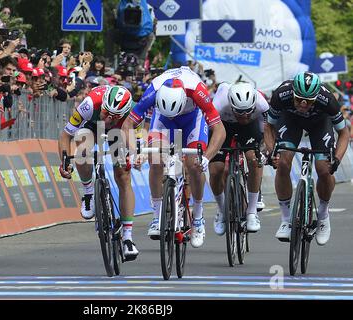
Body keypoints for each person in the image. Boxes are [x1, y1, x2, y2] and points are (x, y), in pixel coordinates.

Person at [123, 66, 226, 248]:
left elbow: (219, 130)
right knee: (155, 158)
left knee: (194, 165)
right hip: (163, 118)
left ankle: (198, 216)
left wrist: (207, 158)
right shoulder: (154, 89)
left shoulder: (197, 90)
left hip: (192, 120)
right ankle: (156, 216)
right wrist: (135, 151)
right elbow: (128, 124)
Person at [265, 71, 349, 245]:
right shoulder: (281, 94)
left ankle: (323, 214)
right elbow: (269, 127)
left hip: (320, 123)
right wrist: (272, 151)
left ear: (316, 96)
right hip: (290, 120)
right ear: (293, 93)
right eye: (299, 99)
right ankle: (286, 220)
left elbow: (344, 133)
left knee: (323, 169)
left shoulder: (327, 100)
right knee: (283, 163)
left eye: (309, 101)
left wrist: (337, 160)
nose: (303, 104)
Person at [58, 85, 139, 260]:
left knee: (123, 176)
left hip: (118, 131)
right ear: (102, 105)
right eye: (105, 112)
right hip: (91, 127)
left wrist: (133, 154)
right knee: (82, 152)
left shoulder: (131, 111)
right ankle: (88, 193)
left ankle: (127, 237)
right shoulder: (89, 104)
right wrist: (64, 161)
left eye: (113, 116)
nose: (107, 118)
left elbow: (131, 136)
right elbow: (65, 135)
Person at [209, 82, 270, 235]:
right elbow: (208, 130)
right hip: (223, 126)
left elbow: (267, 132)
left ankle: (251, 213)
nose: (244, 116)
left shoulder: (262, 105)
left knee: (254, 159)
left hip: (249, 128)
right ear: (231, 104)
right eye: (240, 112)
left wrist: (264, 151)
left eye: (248, 112)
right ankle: (222, 211)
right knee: (216, 169)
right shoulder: (219, 104)